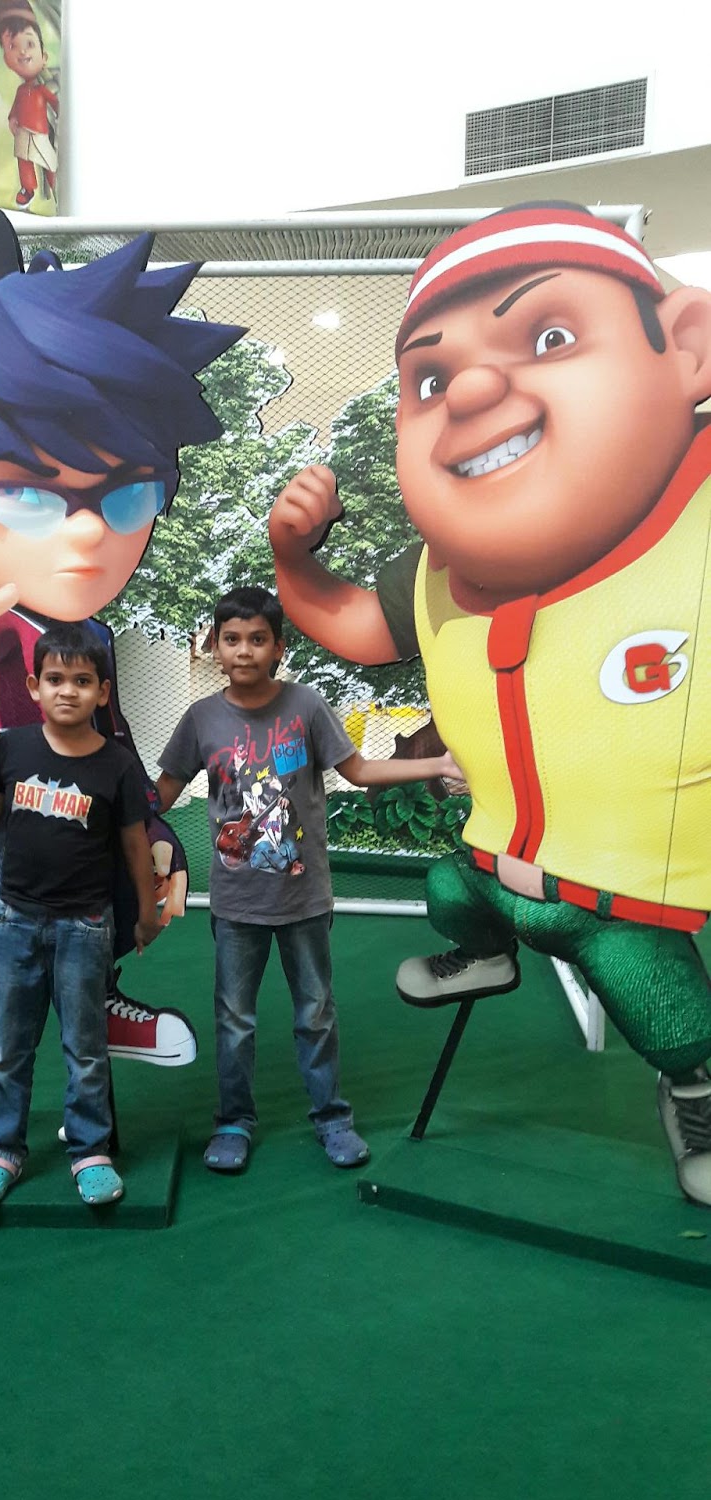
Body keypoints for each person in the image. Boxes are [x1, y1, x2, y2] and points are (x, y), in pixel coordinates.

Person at [267, 202, 711, 1205]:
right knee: (448, 894)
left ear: (686, 347)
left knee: (661, 1003)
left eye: (549, 336)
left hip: (618, 888)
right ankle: (485, 956)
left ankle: (694, 1091)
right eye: (430, 379)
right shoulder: (437, 570)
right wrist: (293, 559)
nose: (470, 387)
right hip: (495, 855)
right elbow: (353, 623)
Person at [0, 206, 243, 1159]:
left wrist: (154, 828)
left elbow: (115, 746)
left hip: (89, 830)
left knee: (118, 889)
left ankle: (95, 999)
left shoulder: (91, 633)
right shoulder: (5, 621)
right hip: (25, 826)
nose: (87, 533)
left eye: (126, 494)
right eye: (26, 494)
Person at [155, 585, 463, 1174]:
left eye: (258, 639)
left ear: (279, 648)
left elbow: (360, 769)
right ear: (215, 646)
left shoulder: (307, 706)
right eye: (231, 639)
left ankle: (332, 1119)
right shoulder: (201, 719)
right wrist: (97, 778)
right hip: (236, 905)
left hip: (305, 900)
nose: (244, 650)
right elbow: (160, 796)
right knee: (234, 1020)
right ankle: (233, 1123)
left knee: (315, 1012)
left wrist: (439, 763)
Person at [0, 623, 160, 1207]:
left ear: (103, 692)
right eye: (56, 679)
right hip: (14, 922)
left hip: (85, 928)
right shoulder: (13, 749)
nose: (68, 691)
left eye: (83, 681)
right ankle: (3, 1150)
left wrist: (146, 910)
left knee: (85, 1047)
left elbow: (135, 843)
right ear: (33, 686)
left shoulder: (116, 765)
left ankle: (90, 1150)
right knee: (11, 1046)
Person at [0, 7, 58, 210]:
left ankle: (55, 184)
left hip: (40, 132)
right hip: (23, 131)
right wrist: (12, 119)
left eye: (29, 44)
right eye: (13, 46)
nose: (23, 52)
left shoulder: (43, 88)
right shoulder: (21, 90)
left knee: (49, 161)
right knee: (23, 159)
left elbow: (55, 102)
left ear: (44, 57)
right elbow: (15, 109)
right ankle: (28, 188)